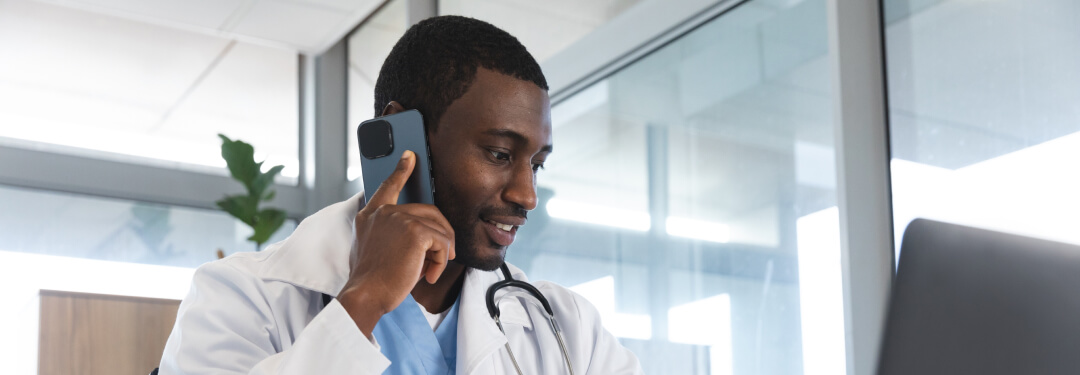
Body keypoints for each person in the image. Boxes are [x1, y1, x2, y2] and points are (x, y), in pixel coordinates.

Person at [157, 15, 644, 375]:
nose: (527, 194)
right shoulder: (242, 297)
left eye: (536, 164)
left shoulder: (564, 326)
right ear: (403, 138)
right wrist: (363, 299)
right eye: (499, 154)